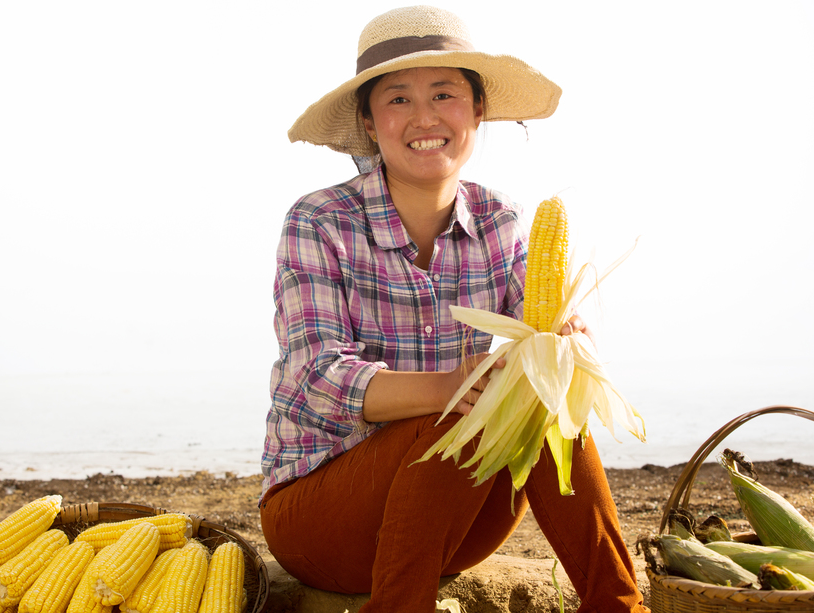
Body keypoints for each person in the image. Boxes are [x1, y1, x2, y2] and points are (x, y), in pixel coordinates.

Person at [259, 6, 649, 612]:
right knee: (466, 409)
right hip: (321, 517)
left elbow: (540, 336)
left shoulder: (500, 219)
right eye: (398, 99)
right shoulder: (319, 221)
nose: (424, 118)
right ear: (368, 120)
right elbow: (317, 379)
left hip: (452, 522)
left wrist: (568, 340)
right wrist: (455, 386)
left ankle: (618, 604)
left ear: (476, 110)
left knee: (540, 398)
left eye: (444, 94)